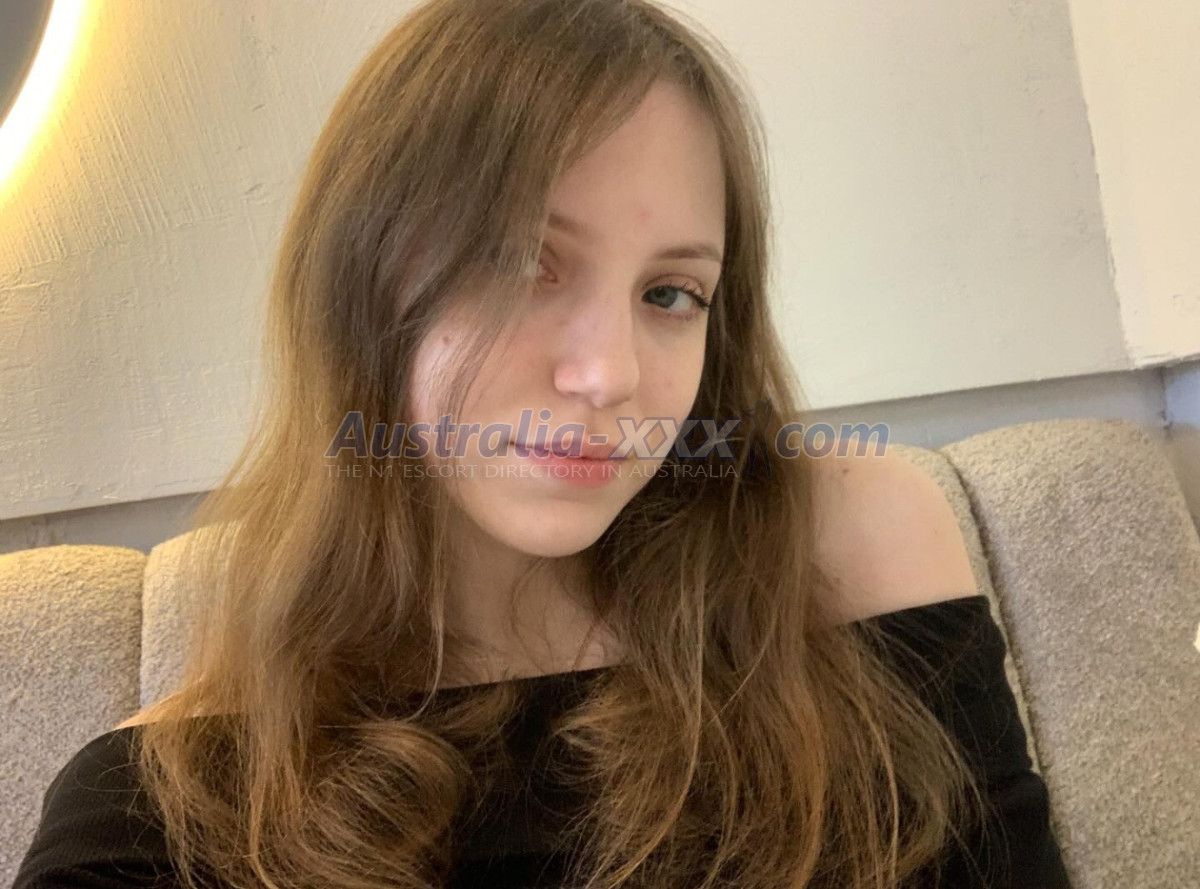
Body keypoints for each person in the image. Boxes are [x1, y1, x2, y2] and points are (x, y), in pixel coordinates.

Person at [13, 0, 1071, 886]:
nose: (610, 373)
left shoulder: (843, 552)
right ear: (364, 284)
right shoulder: (155, 813)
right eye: (525, 260)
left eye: (671, 293)